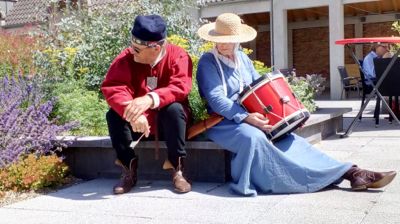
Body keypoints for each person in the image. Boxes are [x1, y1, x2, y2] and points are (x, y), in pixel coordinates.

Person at [196, 13, 397, 196]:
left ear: (237, 40)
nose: (223, 45)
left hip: (251, 117)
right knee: (255, 138)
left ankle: (352, 173)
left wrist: (285, 117)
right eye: (219, 41)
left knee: (288, 138)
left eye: (229, 41)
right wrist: (247, 117)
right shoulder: (208, 62)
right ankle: (299, 177)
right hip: (224, 122)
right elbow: (216, 99)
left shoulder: (242, 58)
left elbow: (258, 87)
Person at [101, 14, 192, 194]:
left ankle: (177, 168)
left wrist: (149, 99)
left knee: (174, 109)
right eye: (132, 46)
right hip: (139, 124)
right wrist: (133, 111)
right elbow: (114, 86)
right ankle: (128, 168)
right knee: (113, 115)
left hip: (170, 123)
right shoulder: (126, 57)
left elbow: (180, 86)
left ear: (156, 48)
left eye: (137, 49)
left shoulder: (178, 55)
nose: (131, 51)